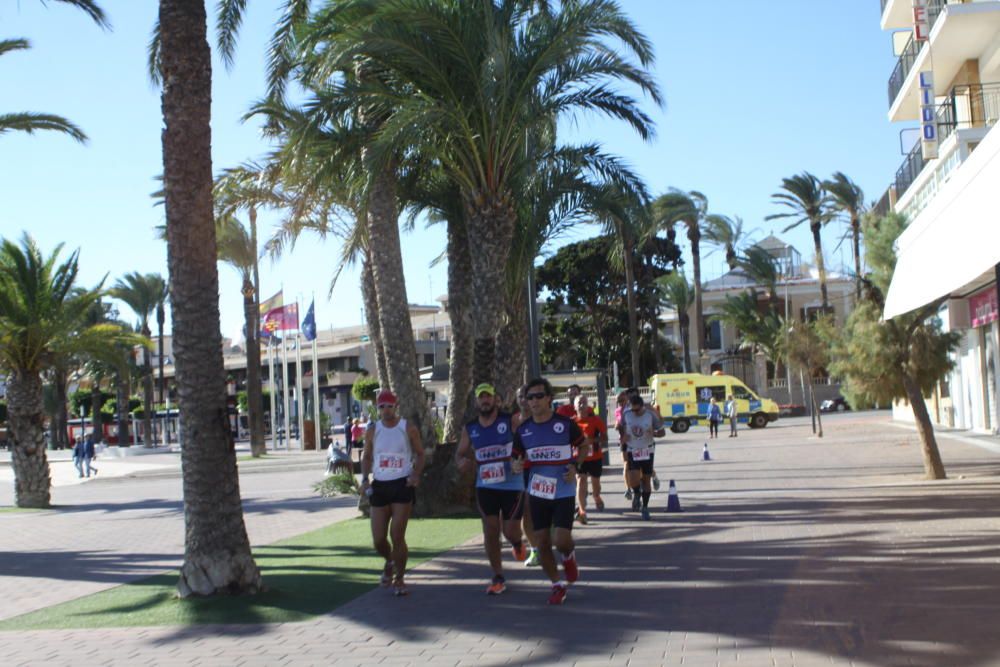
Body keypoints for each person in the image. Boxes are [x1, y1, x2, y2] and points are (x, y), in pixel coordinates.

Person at [513, 377, 589, 605]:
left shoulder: (564, 424)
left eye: (538, 396)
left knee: (562, 539)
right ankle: (557, 584)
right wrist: (515, 465)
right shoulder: (524, 430)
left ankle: (568, 556)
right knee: (542, 542)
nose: (534, 401)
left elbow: (583, 445)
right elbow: (516, 458)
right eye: (530, 397)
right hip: (538, 493)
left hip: (563, 491)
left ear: (549, 398)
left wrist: (576, 465)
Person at [455, 383, 528, 595]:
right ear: (476, 402)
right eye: (481, 397)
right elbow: (460, 453)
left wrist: (520, 458)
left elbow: (526, 441)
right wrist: (461, 462)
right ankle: (497, 576)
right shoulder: (470, 428)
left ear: (496, 400)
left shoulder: (510, 420)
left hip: (512, 483)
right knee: (490, 529)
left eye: (488, 397)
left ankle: (516, 542)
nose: (485, 400)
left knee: (509, 530)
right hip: (485, 486)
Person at [361, 389, 425, 597]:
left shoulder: (407, 427)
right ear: (377, 409)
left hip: (401, 485)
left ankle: (400, 578)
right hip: (380, 485)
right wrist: (364, 479)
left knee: (397, 535)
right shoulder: (373, 430)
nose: (386, 410)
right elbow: (367, 457)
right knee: (378, 539)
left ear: (396, 407)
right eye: (382, 407)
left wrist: (415, 474)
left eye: (389, 406)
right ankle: (389, 562)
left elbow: (421, 454)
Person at [622, 394, 663, 521]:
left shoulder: (650, 415)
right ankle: (636, 493)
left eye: (637, 410)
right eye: (632, 409)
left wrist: (654, 433)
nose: (634, 412)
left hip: (647, 450)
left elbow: (662, 432)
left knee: (646, 480)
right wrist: (623, 437)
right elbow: (621, 427)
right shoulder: (627, 414)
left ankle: (645, 507)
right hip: (632, 450)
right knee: (633, 480)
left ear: (642, 406)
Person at [512, 385, 540, 567]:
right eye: (520, 396)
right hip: (522, 472)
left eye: (527, 396)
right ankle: (535, 550)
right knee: (526, 512)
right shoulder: (512, 421)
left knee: (545, 510)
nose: (524, 400)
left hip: (544, 470)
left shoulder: (543, 419)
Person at [573, 394, 607, 524]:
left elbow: (604, 438)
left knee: (595, 483)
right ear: (574, 406)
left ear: (588, 405)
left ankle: (596, 496)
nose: (581, 405)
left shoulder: (595, 420)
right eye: (579, 403)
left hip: (595, 457)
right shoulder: (572, 422)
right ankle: (582, 511)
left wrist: (590, 440)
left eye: (584, 402)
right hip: (579, 457)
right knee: (581, 481)